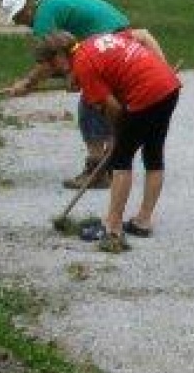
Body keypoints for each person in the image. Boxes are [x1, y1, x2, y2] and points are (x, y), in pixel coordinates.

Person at [2, 0, 165, 190]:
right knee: (102, 100)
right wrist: (72, 74)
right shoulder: (52, 1)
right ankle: (111, 161)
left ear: (25, 8)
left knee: (91, 103)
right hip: (116, 36)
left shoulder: (43, 14)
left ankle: (98, 168)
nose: (20, 23)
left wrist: (26, 84)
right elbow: (63, 53)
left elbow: (48, 59)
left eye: (18, 18)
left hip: (105, 43)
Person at [34, 30, 182, 253]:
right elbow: (141, 36)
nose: (55, 71)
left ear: (59, 57)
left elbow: (113, 108)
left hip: (146, 93)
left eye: (52, 66)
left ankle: (113, 228)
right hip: (168, 86)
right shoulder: (93, 42)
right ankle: (143, 220)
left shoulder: (84, 66)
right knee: (154, 153)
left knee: (120, 159)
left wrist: (116, 136)